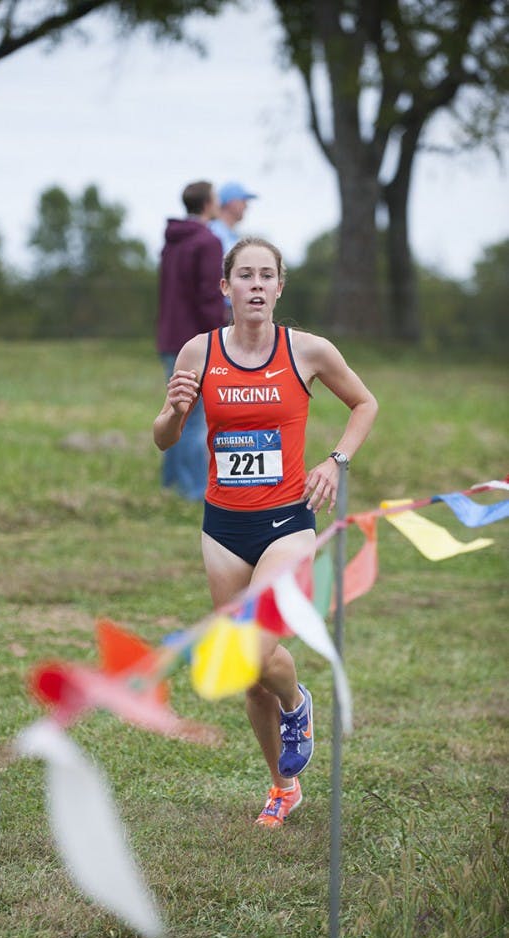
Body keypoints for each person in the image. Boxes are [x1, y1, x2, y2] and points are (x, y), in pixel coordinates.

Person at [153, 236, 378, 827]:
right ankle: (282, 785)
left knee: (251, 649)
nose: (255, 285)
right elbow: (162, 438)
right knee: (251, 680)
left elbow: (365, 404)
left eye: (266, 275)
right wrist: (175, 411)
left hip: (286, 521)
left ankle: (296, 703)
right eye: (244, 275)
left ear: (280, 287)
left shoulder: (307, 351)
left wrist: (335, 461)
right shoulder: (197, 352)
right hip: (222, 526)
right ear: (225, 288)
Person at [157, 181, 227, 501]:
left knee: (175, 410)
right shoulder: (208, 242)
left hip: (169, 337)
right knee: (194, 419)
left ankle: (171, 483)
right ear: (207, 204)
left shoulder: (172, 241)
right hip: (196, 341)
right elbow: (209, 297)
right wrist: (220, 335)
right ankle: (195, 492)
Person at [209, 181, 257, 257]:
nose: (246, 206)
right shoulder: (215, 232)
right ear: (232, 203)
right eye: (243, 201)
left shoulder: (227, 233)